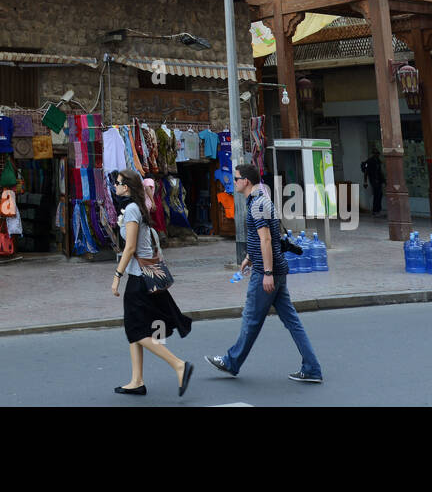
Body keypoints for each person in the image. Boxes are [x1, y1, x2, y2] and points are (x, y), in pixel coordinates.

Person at [206, 163, 323, 384]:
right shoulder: (260, 201)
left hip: (267, 273)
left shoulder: (258, 203)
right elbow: (262, 237)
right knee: (292, 321)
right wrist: (250, 257)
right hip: (274, 269)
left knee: (251, 319)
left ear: (246, 181)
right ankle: (312, 368)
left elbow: (266, 239)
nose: (234, 182)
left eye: (237, 178)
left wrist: (267, 272)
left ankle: (231, 362)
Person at [109, 169, 193, 397]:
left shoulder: (133, 210)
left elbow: (130, 248)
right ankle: (137, 380)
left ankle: (179, 365)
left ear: (126, 187)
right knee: (136, 328)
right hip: (146, 277)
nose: (115, 186)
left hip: (139, 279)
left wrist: (117, 276)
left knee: (136, 330)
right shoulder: (137, 208)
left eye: (117, 183)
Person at [361, 148, 385, 217]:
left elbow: (380, 172)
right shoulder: (369, 161)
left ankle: (378, 210)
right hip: (373, 180)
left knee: (379, 195)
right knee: (376, 194)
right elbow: (365, 172)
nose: (377, 155)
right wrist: (365, 182)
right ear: (373, 154)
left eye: (378, 153)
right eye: (376, 153)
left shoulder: (378, 161)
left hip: (378, 180)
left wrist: (383, 180)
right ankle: (375, 211)